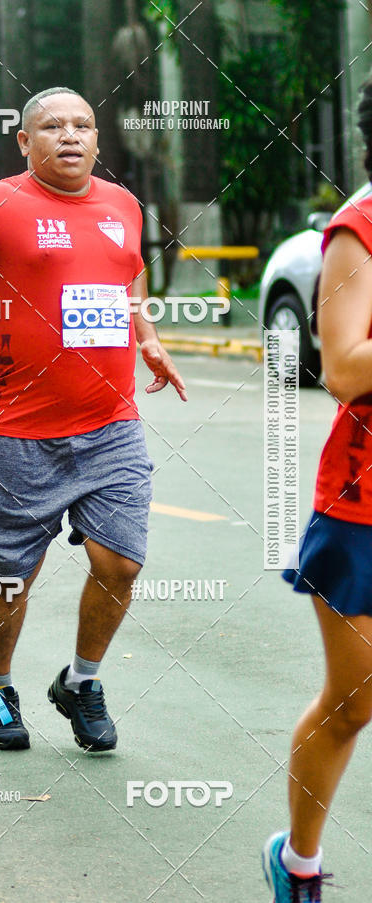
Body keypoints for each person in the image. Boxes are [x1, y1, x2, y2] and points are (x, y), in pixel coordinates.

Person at [0, 87, 186, 753]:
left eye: (82, 125)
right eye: (52, 127)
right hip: (16, 431)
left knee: (120, 563)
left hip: (111, 423)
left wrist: (147, 336)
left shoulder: (122, 206)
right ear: (25, 143)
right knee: (10, 578)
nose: (71, 136)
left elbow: (126, 275)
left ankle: (81, 681)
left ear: (97, 138)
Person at [263, 77, 372, 901]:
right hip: (365, 507)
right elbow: (341, 367)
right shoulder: (358, 230)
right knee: (352, 705)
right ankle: (297, 862)